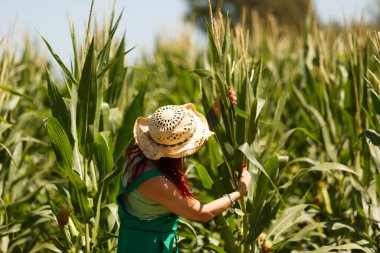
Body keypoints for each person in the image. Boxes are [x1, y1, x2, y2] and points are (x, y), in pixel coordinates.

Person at [116, 103, 252, 253]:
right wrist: (240, 191)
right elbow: (201, 213)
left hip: (138, 240)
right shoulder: (155, 181)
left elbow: (180, 137)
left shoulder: (144, 152)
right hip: (147, 246)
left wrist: (218, 109)